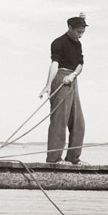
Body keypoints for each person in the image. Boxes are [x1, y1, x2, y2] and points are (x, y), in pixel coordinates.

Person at [40, 14, 88, 164]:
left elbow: (80, 64)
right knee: (59, 120)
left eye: (83, 32)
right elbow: (54, 64)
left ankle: (73, 158)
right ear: (70, 28)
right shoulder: (58, 43)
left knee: (79, 122)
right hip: (60, 78)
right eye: (78, 32)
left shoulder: (78, 44)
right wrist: (48, 85)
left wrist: (73, 75)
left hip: (72, 79)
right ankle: (54, 159)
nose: (80, 35)